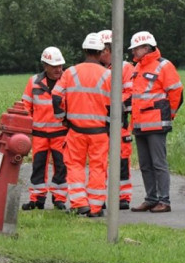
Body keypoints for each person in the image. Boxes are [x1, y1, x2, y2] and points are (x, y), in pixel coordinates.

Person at [52, 33, 112, 217]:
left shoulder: (70, 72)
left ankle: (80, 203)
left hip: (76, 130)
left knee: (75, 165)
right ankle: (95, 207)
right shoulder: (109, 74)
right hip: (100, 132)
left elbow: (56, 96)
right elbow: (116, 104)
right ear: (101, 51)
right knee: (97, 167)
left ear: (85, 50)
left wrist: (62, 117)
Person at [127, 31, 183, 213]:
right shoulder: (137, 67)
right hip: (139, 123)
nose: (133, 51)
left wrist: (169, 115)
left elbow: (176, 93)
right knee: (145, 165)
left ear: (146, 47)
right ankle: (151, 199)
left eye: (136, 48)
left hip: (156, 123)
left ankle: (164, 201)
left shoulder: (163, 66)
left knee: (159, 163)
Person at [20, 47, 69, 211]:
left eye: (60, 65)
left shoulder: (67, 81)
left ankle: (59, 199)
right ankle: (37, 199)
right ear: (45, 66)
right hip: (39, 134)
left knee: (61, 167)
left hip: (61, 134)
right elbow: (26, 106)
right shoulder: (33, 82)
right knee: (38, 167)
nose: (58, 69)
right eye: (54, 66)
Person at [97, 29, 134, 210]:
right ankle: (99, 197)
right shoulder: (96, 69)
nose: (98, 54)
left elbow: (130, 94)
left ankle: (123, 197)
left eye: (101, 50)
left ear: (108, 49)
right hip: (98, 123)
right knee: (99, 161)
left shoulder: (125, 68)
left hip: (119, 122)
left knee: (122, 160)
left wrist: (110, 104)